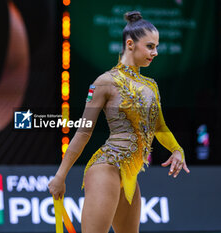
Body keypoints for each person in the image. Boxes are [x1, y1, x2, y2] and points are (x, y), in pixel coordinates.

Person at [48, 11, 190, 233]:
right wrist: (60, 176)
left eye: (157, 47)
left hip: (130, 176)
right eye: (150, 46)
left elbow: (159, 127)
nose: (156, 52)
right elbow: (83, 132)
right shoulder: (105, 82)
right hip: (107, 168)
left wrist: (177, 150)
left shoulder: (151, 86)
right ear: (131, 44)